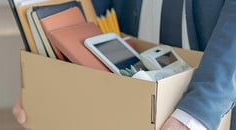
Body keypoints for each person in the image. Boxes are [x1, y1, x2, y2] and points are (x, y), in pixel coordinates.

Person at [13, 0, 236, 130]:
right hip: (122, 84)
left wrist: (197, 113)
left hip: (213, 97)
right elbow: (90, 8)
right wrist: (45, 69)